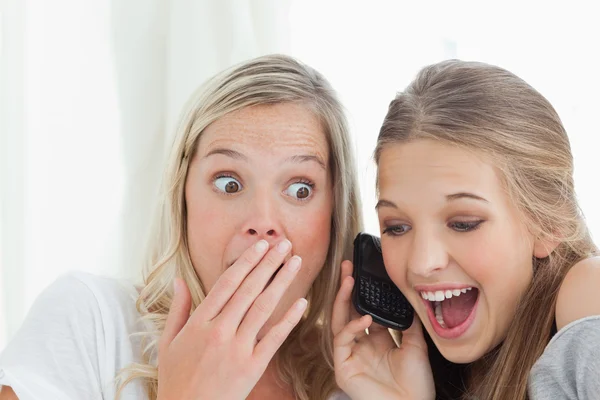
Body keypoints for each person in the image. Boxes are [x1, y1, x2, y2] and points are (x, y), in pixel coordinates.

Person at [0, 54, 362, 400]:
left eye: (300, 189)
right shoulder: (92, 323)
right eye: (229, 184)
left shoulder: (359, 382)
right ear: (182, 196)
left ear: (335, 213)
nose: (263, 223)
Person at [332, 60, 600, 400]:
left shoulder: (588, 293)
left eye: (463, 223)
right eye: (397, 227)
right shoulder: (405, 371)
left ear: (547, 224)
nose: (421, 262)